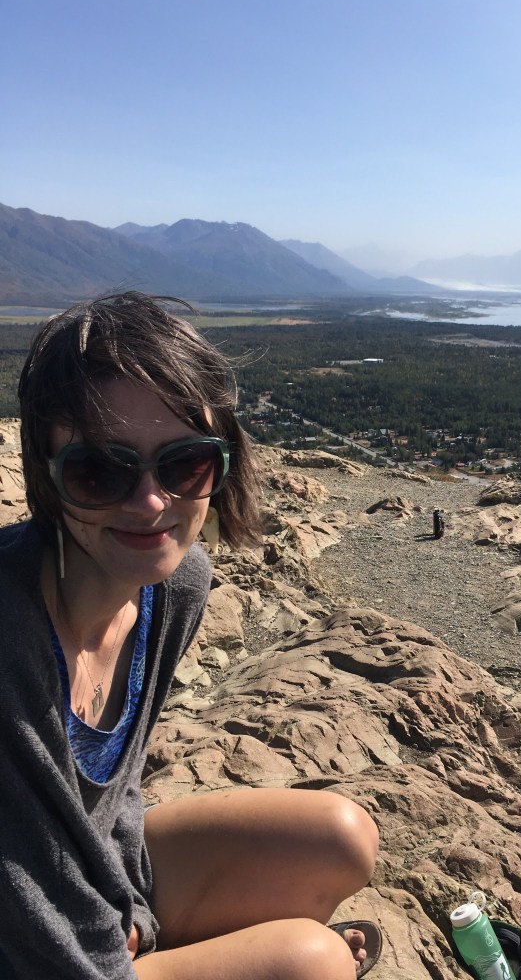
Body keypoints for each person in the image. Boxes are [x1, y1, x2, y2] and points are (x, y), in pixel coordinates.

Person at [0, 293, 380, 979]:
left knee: (343, 838)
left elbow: (117, 794)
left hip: (83, 871)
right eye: (99, 470)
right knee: (314, 962)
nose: (151, 502)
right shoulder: (11, 638)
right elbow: (24, 885)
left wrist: (135, 914)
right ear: (46, 475)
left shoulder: (175, 587)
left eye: (184, 464)